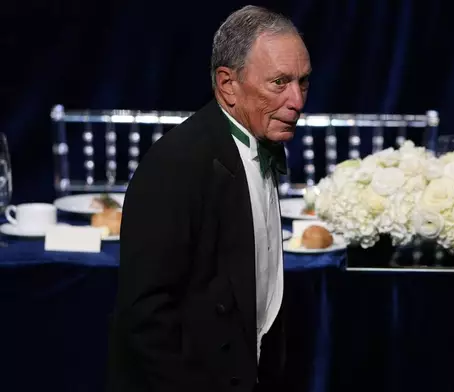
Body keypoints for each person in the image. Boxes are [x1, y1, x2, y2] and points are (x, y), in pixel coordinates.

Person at [106, 5, 311, 392]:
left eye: (303, 82)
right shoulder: (175, 164)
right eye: (280, 83)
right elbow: (145, 318)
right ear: (228, 85)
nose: (297, 101)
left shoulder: (258, 143)